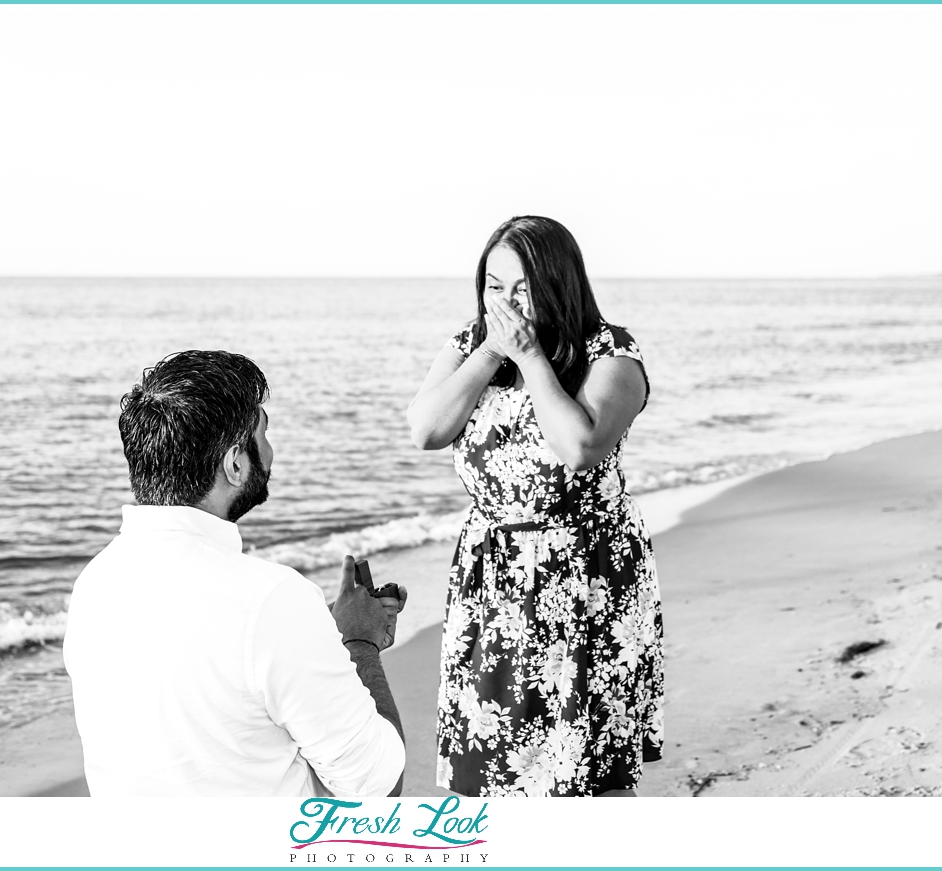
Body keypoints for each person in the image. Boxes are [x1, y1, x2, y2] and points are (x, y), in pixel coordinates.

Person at [64, 349, 406, 797]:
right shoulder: (271, 599)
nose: (270, 450)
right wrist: (359, 643)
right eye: (264, 434)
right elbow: (378, 787)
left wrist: (312, 634)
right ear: (234, 464)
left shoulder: (97, 580)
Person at [407, 216, 663, 797]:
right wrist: (491, 354)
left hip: (585, 571)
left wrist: (529, 358)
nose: (505, 301)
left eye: (522, 287)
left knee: (585, 768)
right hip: (491, 573)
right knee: (486, 758)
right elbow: (425, 429)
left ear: (558, 284)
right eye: (493, 286)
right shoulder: (469, 346)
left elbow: (580, 446)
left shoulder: (611, 351)